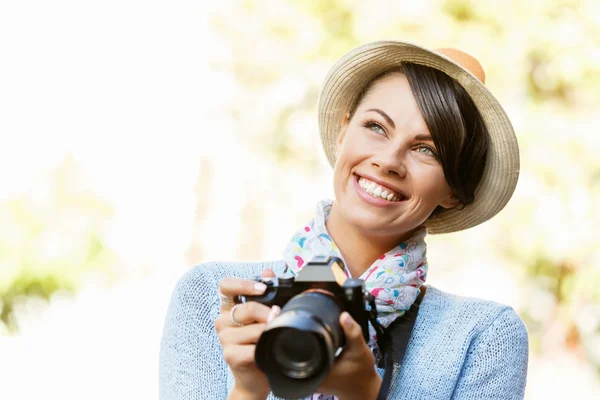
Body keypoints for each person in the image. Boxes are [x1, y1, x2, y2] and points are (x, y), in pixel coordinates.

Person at [159, 41, 529, 400]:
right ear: (343, 132)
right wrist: (248, 391)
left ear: (453, 191)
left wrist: (363, 395)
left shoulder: (482, 338)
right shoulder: (214, 297)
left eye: (426, 149)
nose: (388, 161)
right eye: (376, 127)